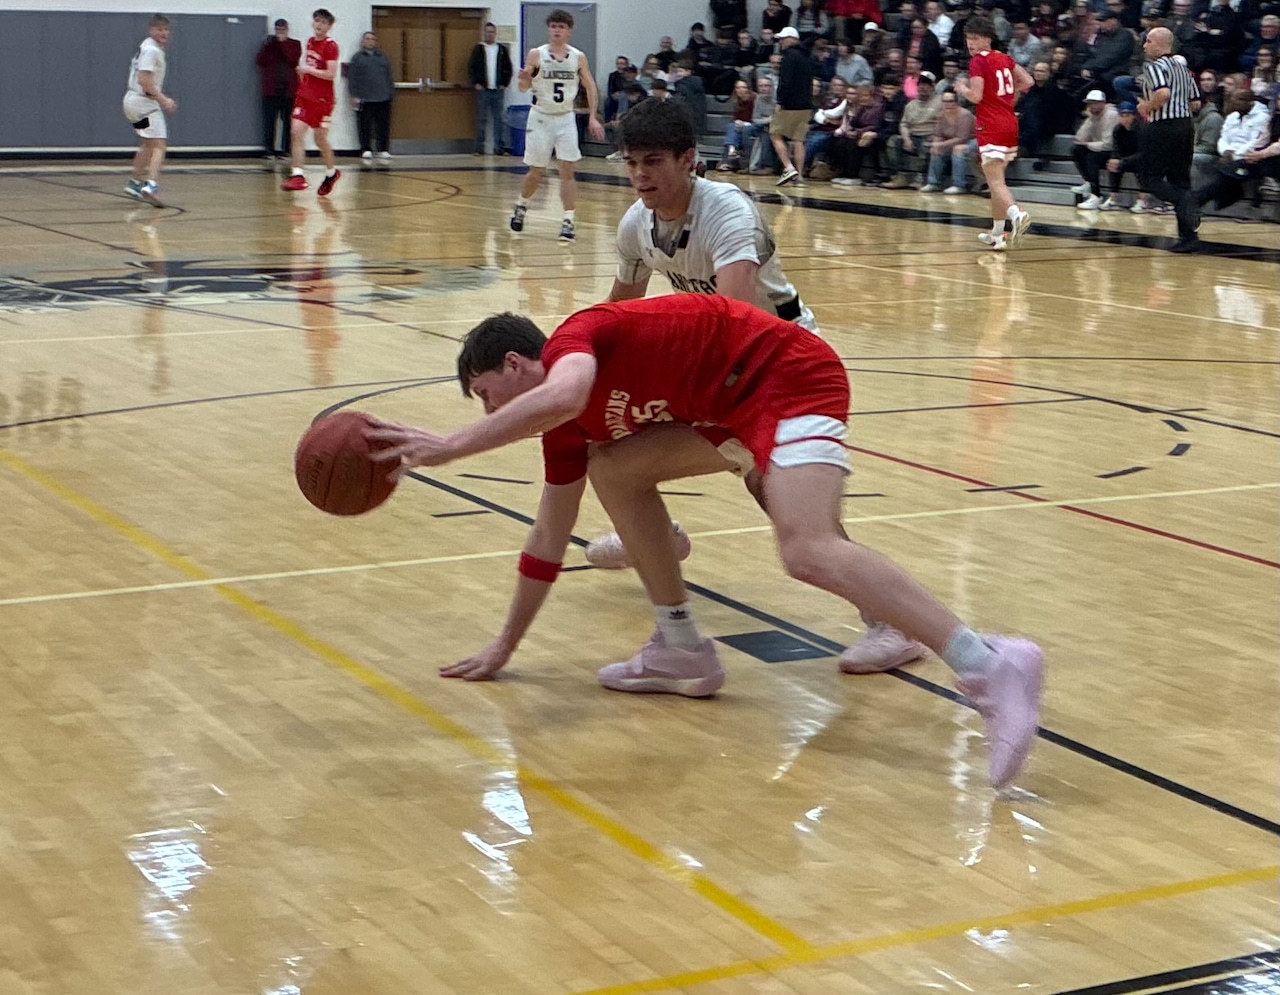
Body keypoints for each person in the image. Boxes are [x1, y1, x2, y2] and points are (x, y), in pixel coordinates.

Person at [365, 294, 1045, 790]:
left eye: (486, 394)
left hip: (786, 372)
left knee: (804, 548)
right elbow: (547, 536)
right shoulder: (567, 430)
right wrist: (505, 646)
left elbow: (568, 392)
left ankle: (986, 661)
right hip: (731, 411)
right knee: (614, 470)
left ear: (516, 363)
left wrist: (451, 445)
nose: (489, 412)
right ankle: (679, 645)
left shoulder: (577, 339)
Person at [509, 9, 605, 242]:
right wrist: (523, 79)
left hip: (565, 118)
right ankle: (522, 205)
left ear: (569, 31)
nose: (556, 31)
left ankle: (568, 221)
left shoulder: (577, 57)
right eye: (553, 26)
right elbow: (523, 88)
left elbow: (590, 86)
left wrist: (593, 115)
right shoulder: (536, 54)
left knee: (567, 172)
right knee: (536, 171)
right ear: (548, 29)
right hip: (540, 116)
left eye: (561, 27)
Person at [954, 15, 1033, 251]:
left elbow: (976, 96)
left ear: (988, 39)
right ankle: (998, 233)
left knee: (995, 181)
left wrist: (962, 88)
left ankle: (1017, 214)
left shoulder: (978, 61)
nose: (971, 43)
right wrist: (1008, 96)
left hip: (990, 123)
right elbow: (1027, 81)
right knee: (996, 180)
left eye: (975, 38)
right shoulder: (1005, 58)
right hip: (1009, 121)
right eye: (968, 39)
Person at [1135, 27, 1199, 252]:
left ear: (1161, 44)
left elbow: (1162, 95)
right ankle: (1188, 237)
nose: (1145, 45)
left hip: (1163, 127)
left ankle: (1185, 202)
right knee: (1181, 181)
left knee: (1147, 178)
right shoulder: (1183, 69)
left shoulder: (1154, 67)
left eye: (1149, 41)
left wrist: (1146, 106)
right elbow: (1196, 103)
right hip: (1185, 126)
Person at [281, 9, 341, 196]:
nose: (319, 25)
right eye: (317, 21)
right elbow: (309, 68)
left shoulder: (331, 46)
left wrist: (308, 70)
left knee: (320, 139)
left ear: (329, 26)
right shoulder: (309, 42)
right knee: (295, 131)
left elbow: (330, 74)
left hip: (323, 101)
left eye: (323, 22)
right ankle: (298, 175)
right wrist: (303, 75)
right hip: (305, 96)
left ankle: (331, 173)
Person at [123, 14, 177, 206]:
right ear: (151, 30)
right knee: (159, 145)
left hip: (131, 104)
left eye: (166, 29)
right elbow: (144, 80)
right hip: (144, 104)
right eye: (159, 29)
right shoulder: (151, 50)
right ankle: (151, 185)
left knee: (147, 143)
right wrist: (164, 100)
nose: (164, 33)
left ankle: (135, 182)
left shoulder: (145, 45)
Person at [770, 26, 814, 185]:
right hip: (806, 104)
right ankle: (800, 176)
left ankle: (789, 167)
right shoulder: (807, 56)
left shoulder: (789, 56)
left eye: (783, 38)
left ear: (791, 39)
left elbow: (785, 82)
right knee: (798, 139)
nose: (780, 42)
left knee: (775, 134)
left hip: (789, 105)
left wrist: (780, 102)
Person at [256, 19, 301, 164]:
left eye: (283, 29)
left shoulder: (294, 44)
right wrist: (270, 45)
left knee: (288, 122)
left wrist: (282, 43)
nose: (280, 32)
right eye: (278, 30)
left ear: (287, 30)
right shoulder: (269, 45)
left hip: (288, 91)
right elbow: (261, 61)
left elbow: (292, 59)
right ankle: (269, 149)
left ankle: (285, 150)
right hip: (271, 90)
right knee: (269, 121)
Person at [349, 31, 394, 167]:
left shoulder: (383, 57)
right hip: (364, 97)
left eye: (372, 39)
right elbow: (352, 78)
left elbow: (389, 75)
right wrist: (354, 95)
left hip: (383, 96)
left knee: (383, 125)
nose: (370, 41)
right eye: (367, 39)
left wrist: (390, 92)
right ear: (363, 42)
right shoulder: (357, 58)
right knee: (364, 125)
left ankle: (383, 149)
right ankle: (366, 148)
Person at [469, 22, 515, 155]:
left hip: (498, 90)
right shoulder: (478, 49)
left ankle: (499, 147)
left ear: (495, 34)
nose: (490, 34)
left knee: (499, 119)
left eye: (492, 32)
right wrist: (476, 82)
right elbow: (472, 67)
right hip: (483, 89)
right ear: (484, 33)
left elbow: (508, 68)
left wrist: (504, 83)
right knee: (481, 119)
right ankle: (479, 148)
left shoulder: (501, 50)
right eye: (487, 32)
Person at [1070, 90, 1119, 209]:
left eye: (1095, 103)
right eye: (1090, 103)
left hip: (1115, 151)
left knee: (1092, 157)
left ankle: (1096, 195)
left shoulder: (1111, 115)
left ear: (1103, 103)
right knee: (1076, 149)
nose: (1092, 106)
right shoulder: (1093, 115)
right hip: (1099, 147)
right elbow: (1079, 138)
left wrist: (1087, 144)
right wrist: (1090, 120)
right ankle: (1088, 182)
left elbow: (1108, 144)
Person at [921, 88, 974, 192]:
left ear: (956, 102)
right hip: (951, 141)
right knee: (936, 150)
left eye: (950, 101)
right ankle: (933, 182)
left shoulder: (965, 114)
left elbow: (962, 138)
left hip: (974, 140)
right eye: (945, 101)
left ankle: (959, 184)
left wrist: (941, 145)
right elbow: (938, 133)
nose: (947, 104)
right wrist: (936, 143)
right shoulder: (941, 114)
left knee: (958, 149)